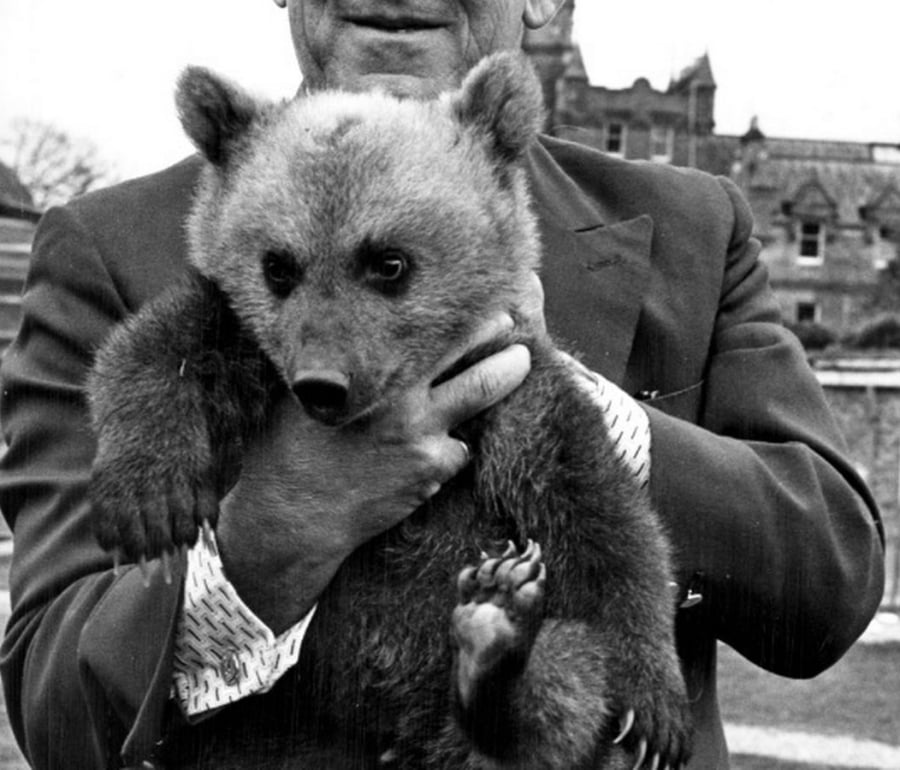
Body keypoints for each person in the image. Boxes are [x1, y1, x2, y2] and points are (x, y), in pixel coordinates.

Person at [0, 1, 885, 768]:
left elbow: (829, 588)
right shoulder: (112, 249)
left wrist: (563, 394)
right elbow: (58, 712)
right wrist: (273, 538)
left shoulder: (695, 225)